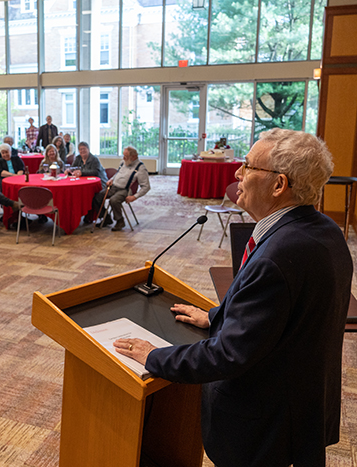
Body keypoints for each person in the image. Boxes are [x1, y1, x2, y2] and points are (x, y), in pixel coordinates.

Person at [114, 129, 352, 467]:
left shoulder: (276, 257)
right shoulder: (326, 231)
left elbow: (228, 355)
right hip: (304, 409)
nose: (237, 174)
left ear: (278, 184)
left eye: (248, 166)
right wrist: (216, 316)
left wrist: (154, 357)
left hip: (264, 427)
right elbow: (290, 317)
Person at [91, 146, 150, 231]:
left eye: (125, 156)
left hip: (125, 190)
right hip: (113, 187)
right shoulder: (123, 162)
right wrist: (111, 179)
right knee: (97, 197)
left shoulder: (140, 168)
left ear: (133, 157)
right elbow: (118, 174)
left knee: (114, 200)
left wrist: (134, 197)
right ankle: (106, 218)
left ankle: (120, 221)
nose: (123, 158)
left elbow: (146, 186)